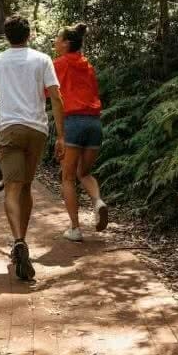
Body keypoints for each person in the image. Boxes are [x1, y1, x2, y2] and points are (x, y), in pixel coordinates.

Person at [0, 15, 66, 281]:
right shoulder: (42, 60)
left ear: (7, 36)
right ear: (30, 34)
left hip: (10, 130)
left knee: (12, 188)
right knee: (26, 187)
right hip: (37, 131)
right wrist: (61, 136)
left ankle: (18, 241)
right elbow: (56, 98)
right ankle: (21, 242)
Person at [53, 23, 108, 242]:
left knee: (67, 177)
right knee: (83, 173)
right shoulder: (88, 65)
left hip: (73, 122)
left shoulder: (58, 64)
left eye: (58, 39)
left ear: (66, 43)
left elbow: (46, 92)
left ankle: (75, 229)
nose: (55, 42)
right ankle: (97, 201)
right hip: (94, 123)